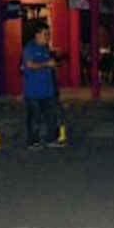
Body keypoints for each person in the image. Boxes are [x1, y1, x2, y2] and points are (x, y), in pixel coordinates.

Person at [21, 21, 65, 150]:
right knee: (34, 117)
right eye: (45, 34)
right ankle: (33, 141)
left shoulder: (45, 49)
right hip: (33, 91)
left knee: (53, 115)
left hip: (47, 90)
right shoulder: (30, 48)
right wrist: (46, 64)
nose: (48, 37)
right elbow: (29, 65)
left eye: (48, 34)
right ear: (37, 35)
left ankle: (51, 138)